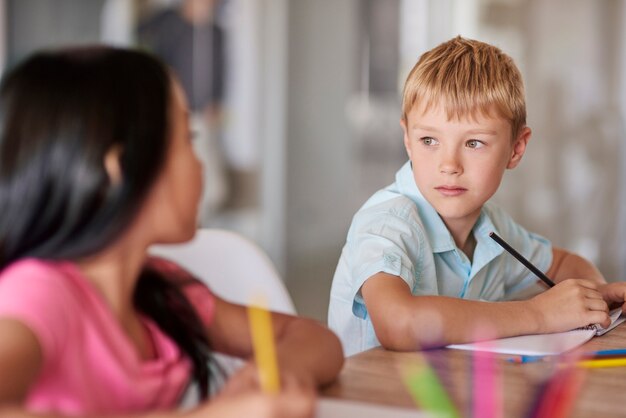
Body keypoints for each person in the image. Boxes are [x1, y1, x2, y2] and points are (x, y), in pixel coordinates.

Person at [0, 46, 343, 417]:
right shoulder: (43, 296)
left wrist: (269, 373)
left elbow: (318, 340)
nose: (200, 167)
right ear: (121, 169)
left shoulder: (163, 292)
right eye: (188, 140)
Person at [328, 36, 626, 356]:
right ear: (408, 140)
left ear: (516, 148)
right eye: (429, 140)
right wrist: (538, 314)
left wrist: (591, 297)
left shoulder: (492, 226)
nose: (449, 165)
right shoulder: (388, 223)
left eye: (473, 143)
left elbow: (565, 264)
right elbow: (398, 323)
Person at [138, 0, 229, 220]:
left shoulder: (215, 32)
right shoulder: (169, 24)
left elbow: (222, 69)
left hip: (203, 114)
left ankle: (201, 215)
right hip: (174, 111)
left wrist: (217, 99)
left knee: (213, 182)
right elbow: (141, 39)